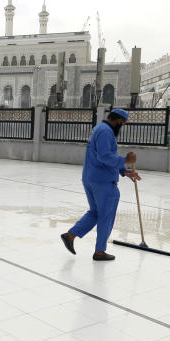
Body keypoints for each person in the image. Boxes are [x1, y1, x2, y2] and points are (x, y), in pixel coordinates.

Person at [61, 109, 141, 261]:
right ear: (118, 120)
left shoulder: (99, 129)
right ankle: (100, 252)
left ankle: (70, 235)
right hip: (103, 182)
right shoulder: (106, 132)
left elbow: (103, 156)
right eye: (123, 123)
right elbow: (104, 157)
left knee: (96, 212)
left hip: (91, 177)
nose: (122, 126)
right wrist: (125, 160)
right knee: (106, 216)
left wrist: (124, 171)